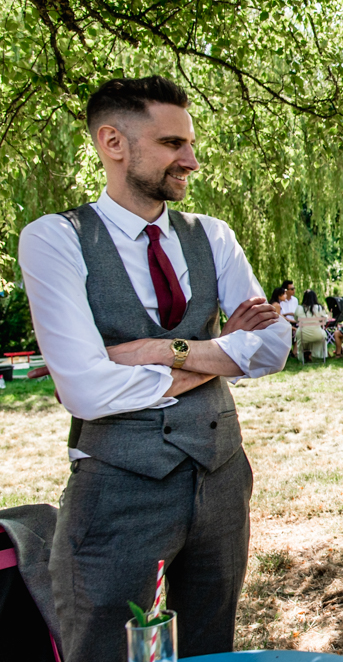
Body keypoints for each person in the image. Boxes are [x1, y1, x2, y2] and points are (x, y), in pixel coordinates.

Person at [17, 75, 292, 661]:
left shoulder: (213, 236)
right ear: (113, 142)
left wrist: (161, 350)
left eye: (189, 144)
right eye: (172, 144)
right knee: (103, 645)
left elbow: (271, 349)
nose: (190, 160)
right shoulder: (55, 239)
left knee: (209, 643)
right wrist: (220, 350)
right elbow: (88, 389)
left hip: (222, 476)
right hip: (117, 489)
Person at [294, 289, 328, 362]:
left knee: (302, 334)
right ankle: (318, 355)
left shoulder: (299, 308)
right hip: (318, 334)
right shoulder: (319, 308)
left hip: (303, 334)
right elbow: (324, 320)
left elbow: (296, 320)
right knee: (322, 334)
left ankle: (304, 355)